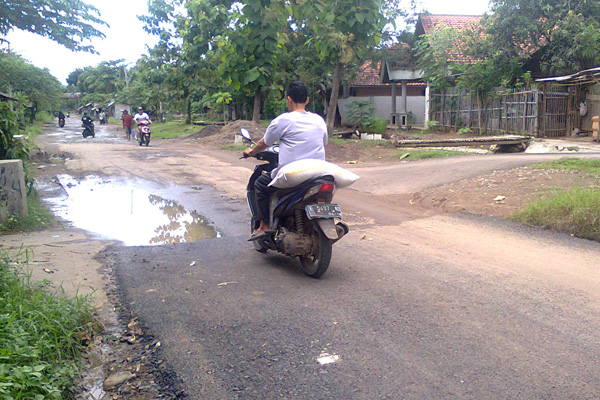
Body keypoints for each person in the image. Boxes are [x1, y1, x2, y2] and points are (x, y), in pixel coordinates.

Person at [243, 81, 328, 241]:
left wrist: (250, 152)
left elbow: (264, 143)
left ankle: (264, 226)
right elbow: (324, 142)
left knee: (260, 184)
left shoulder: (282, 120)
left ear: (289, 99)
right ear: (307, 100)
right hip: (318, 173)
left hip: (293, 174)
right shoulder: (319, 120)